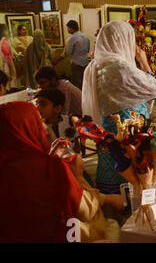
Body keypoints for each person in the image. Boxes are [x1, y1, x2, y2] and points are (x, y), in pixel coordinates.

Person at [0, 101, 123, 242]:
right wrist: (77, 175)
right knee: (113, 227)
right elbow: (85, 212)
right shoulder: (49, 167)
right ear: (28, 127)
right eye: (38, 121)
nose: (44, 127)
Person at [82, 21, 156, 210]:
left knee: (113, 163)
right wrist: (144, 61)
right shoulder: (116, 65)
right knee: (133, 175)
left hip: (112, 129)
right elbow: (153, 88)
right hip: (128, 133)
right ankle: (135, 212)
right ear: (122, 40)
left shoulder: (95, 65)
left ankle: (118, 209)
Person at [53, 20, 90, 90]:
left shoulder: (72, 38)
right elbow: (88, 50)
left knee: (77, 84)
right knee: (85, 82)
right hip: (85, 63)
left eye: (68, 28)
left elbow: (67, 52)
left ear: (71, 28)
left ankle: (79, 99)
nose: (68, 30)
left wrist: (56, 61)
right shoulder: (85, 36)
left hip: (76, 63)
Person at [0, 24, 18, 89]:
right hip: (5, 64)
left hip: (2, 63)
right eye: (7, 30)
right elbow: (8, 55)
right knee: (8, 82)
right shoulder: (5, 41)